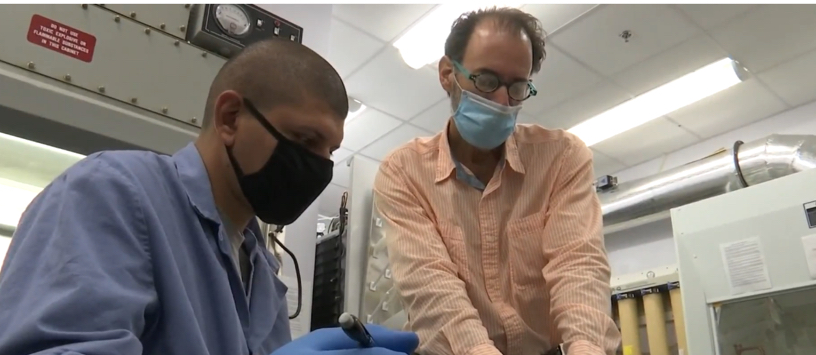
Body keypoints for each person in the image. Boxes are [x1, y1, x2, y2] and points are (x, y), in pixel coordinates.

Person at [0, 39, 418, 355]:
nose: (319, 167)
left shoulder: (262, 275)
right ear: (230, 118)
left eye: (330, 152)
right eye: (304, 139)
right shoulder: (112, 192)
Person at [372, 7, 621, 355]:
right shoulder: (404, 172)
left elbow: (577, 264)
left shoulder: (562, 157)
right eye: (486, 81)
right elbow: (433, 286)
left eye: (517, 87)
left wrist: (587, 346)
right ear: (448, 74)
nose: (503, 102)